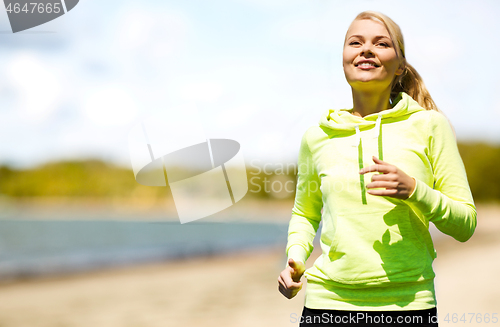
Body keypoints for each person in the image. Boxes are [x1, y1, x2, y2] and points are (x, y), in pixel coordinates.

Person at [278, 11, 476, 327]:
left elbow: (465, 225)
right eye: (355, 42)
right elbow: (305, 214)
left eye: (381, 43)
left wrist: (415, 191)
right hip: (326, 306)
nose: (366, 49)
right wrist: (295, 259)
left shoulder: (429, 126)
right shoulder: (317, 137)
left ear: (400, 66)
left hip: (410, 307)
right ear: (344, 59)